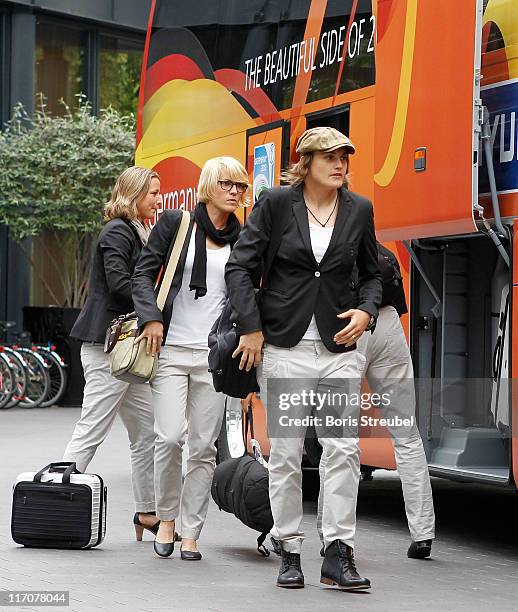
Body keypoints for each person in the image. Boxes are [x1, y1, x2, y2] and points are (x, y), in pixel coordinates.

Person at [225, 126, 382, 590]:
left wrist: (367, 311)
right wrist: (251, 328)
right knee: (289, 454)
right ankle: (289, 550)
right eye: (330, 157)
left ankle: (338, 553)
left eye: (344, 157)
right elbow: (241, 267)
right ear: (307, 161)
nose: (340, 164)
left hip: (338, 352)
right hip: (287, 350)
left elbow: (373, 274)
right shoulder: (275, 203)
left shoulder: (359, 210)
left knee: (343, 451)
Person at [132, 156, 249, 560]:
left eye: (241, 186)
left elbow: (248, 294)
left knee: (203, 448)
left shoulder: (242, 237)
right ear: (208, 186)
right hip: (169, 350)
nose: (235, 191)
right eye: (228, 184)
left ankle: (191, 530)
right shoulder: (176, 225)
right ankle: (166, 518)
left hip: (214, 357)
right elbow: (142, 274)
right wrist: (150, 318)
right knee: (168, 438)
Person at [317, 242, 435, 558]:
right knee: (406, 434)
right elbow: (396, 299)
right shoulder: (383, 252)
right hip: (388, 324)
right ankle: (423, 533)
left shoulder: (327, 248)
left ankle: (329, 534)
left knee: (338, 439)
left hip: (350, 326)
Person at [63, 166, 162, 540]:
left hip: (125, 352)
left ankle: (146, 513)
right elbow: (121, 284)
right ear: (133, 194)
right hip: (109, 350)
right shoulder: (118, 231)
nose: (158, 199)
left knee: (147, 433)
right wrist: (156, 309)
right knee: (92, 428)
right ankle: (57, 494)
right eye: (152, 193)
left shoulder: (138, 231)